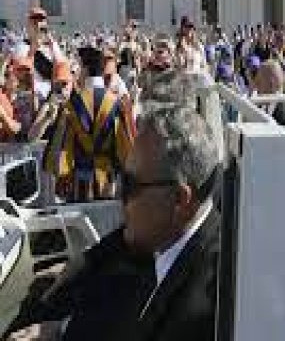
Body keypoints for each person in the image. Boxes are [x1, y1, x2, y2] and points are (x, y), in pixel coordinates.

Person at [7, 75, 222, 341]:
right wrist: (79, 266)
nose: (120, 197)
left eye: (131, 185)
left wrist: (60, 331)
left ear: (180, 199)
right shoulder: (167, 233)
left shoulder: (205, 306)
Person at [43, 46, 134, 202]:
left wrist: (61, 174)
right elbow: (125, 146)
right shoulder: (117, 103)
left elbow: (62, 146)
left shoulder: (72, 104)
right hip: (107, 179)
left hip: (80, 178)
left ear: (84, 69)